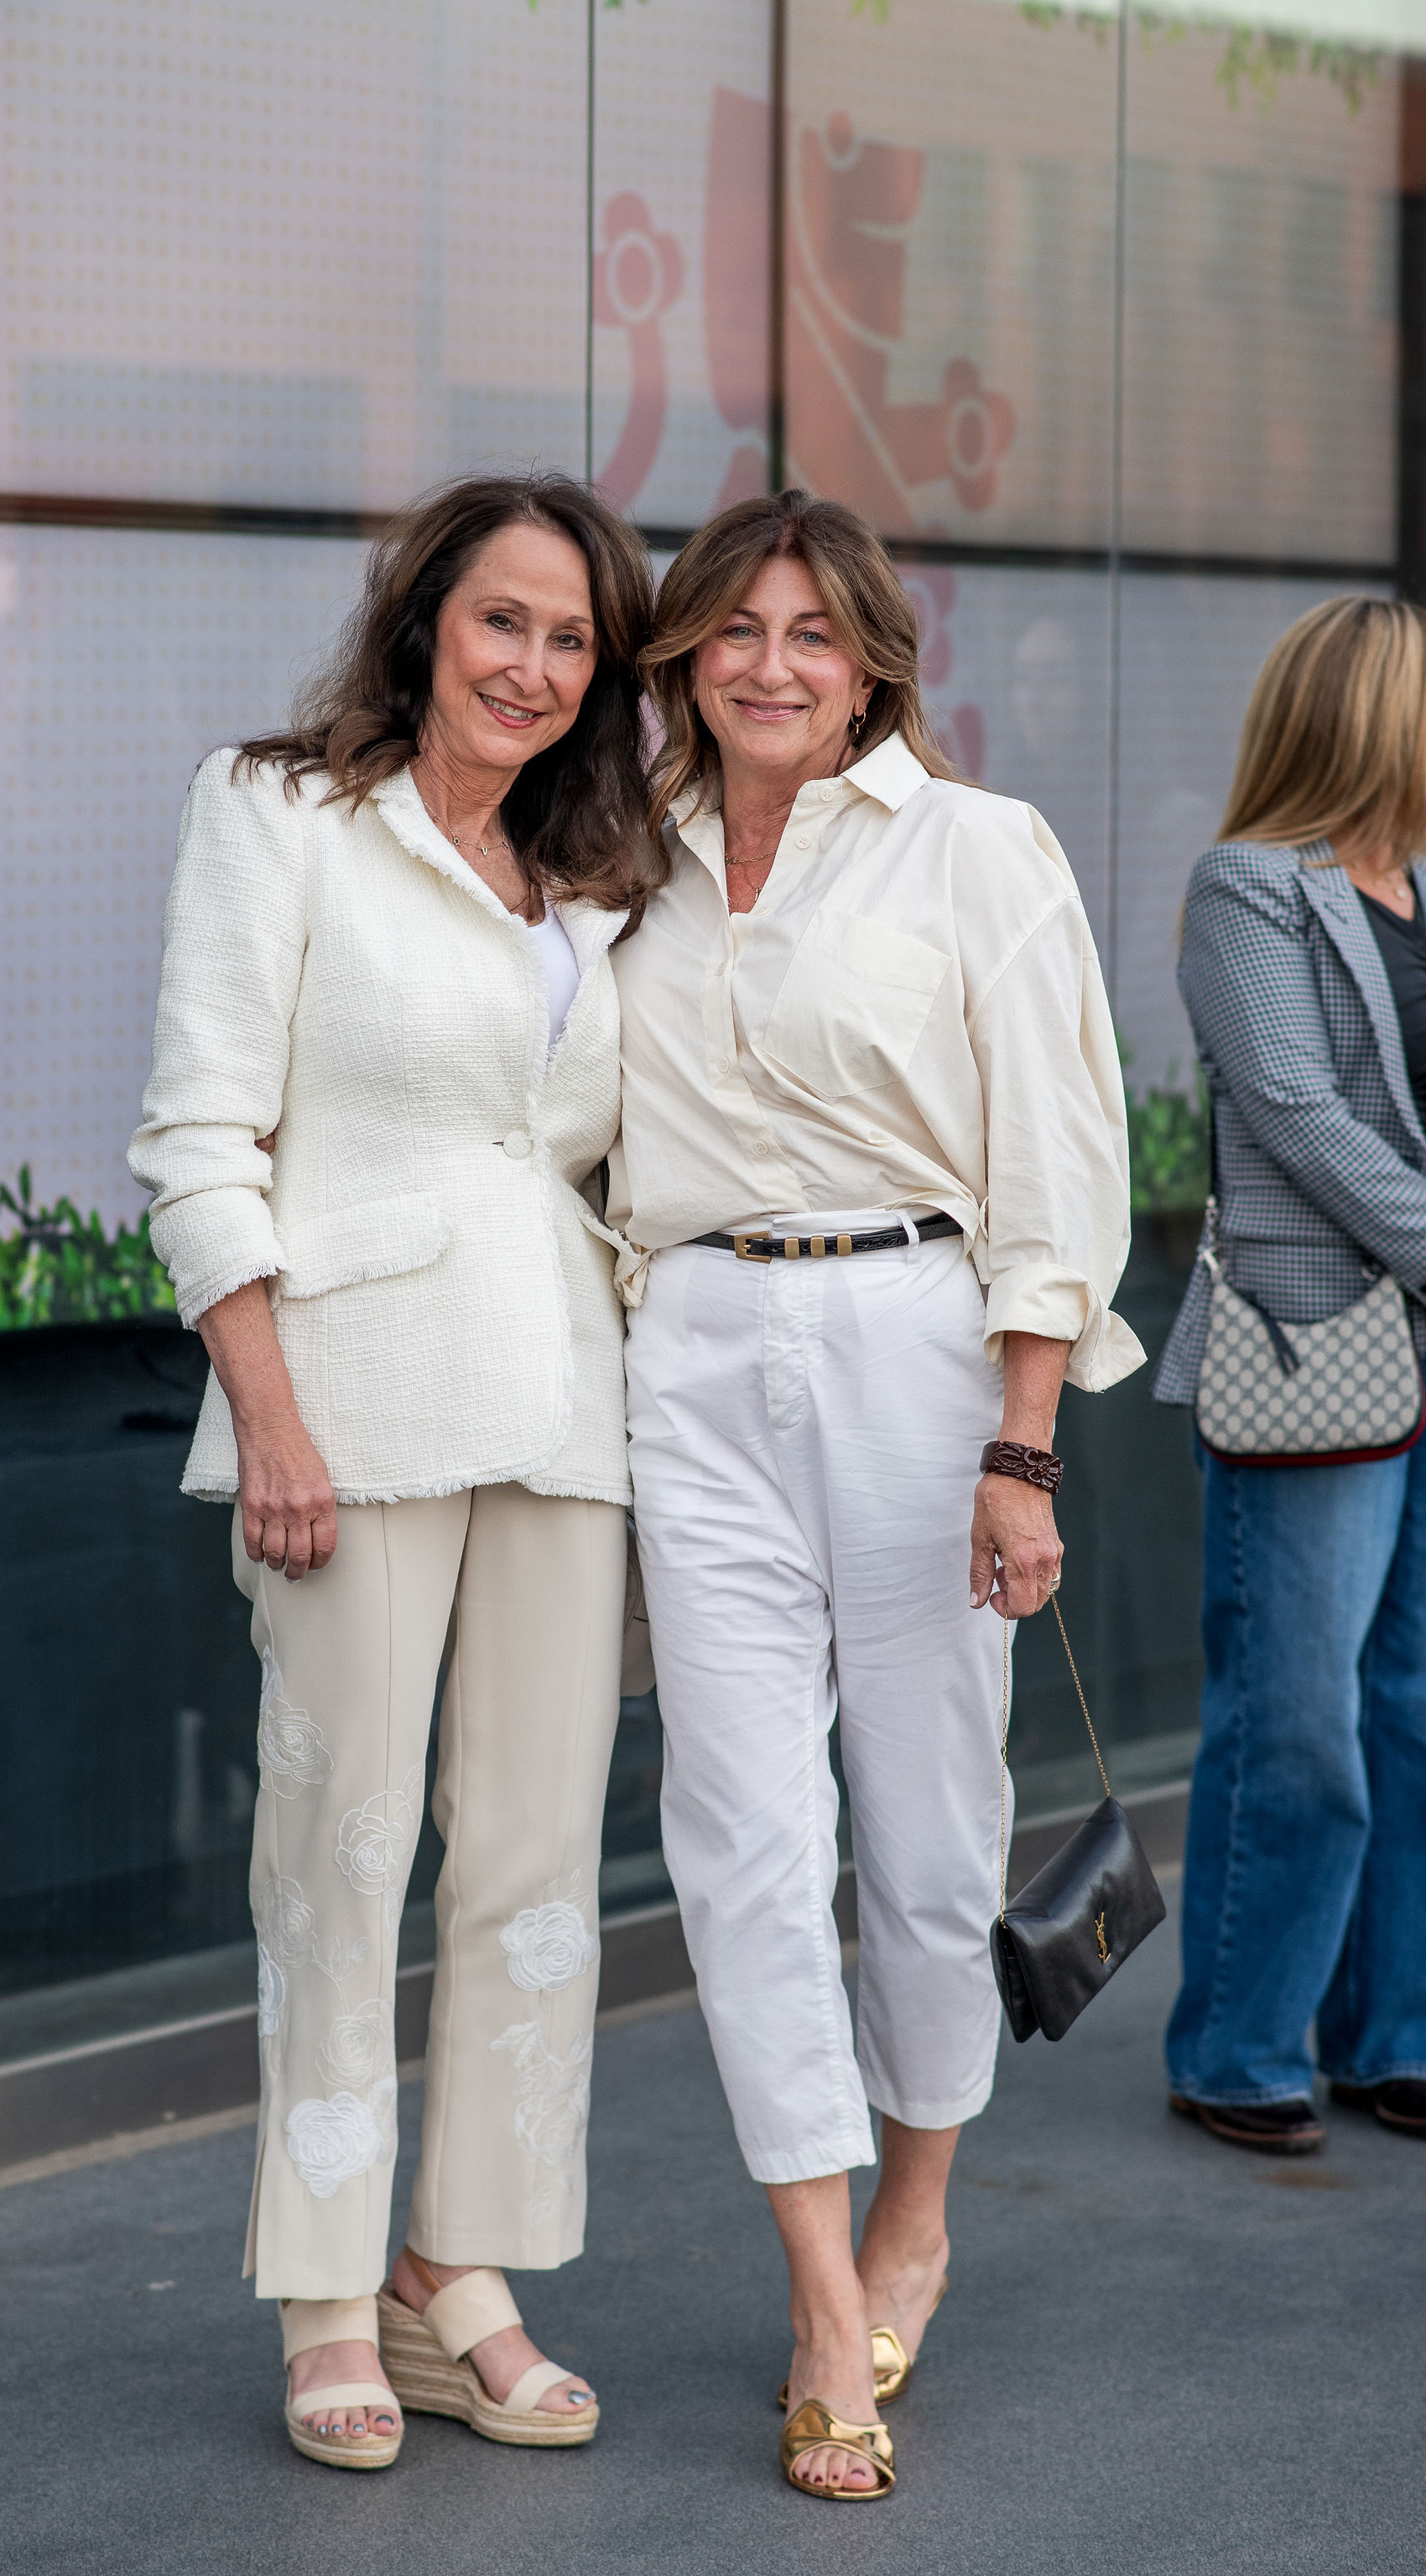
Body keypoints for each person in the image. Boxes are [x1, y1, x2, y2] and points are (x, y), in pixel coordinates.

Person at [607, 489, 1142, 2500]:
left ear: (871, 666)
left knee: (925, 1838)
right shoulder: (624, 861)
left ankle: (916, 2210)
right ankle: (825, 2297)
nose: (769, 667)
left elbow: (1056, 1162)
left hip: (918, 1347)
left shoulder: (975, 849)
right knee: (742, 1841)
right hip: (694, 1353)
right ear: (681, 659)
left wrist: (1022, 1443)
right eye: (733, 632)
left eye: (810, 635)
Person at [129, 472, 661, 2470]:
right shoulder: (277, 811)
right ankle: (330, 2299)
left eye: (571, 639)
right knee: (339, 1856)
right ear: (426, 614)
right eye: (502, 618)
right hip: (350, 1402)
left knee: (532, 1866)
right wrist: (270, 1416)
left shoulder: (586, 873)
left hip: (564, 1404)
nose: (531, 664)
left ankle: (462, 2274)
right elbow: (197, 1139)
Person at [1155, 596, 1426, 2156]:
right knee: (1296, 1719)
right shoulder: (1250, 888)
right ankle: (1240, 2045)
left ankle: (1393, 2031)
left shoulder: (1424, 889)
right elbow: (1301, 1114)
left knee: (1414, 1708)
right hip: (1313, 1352)